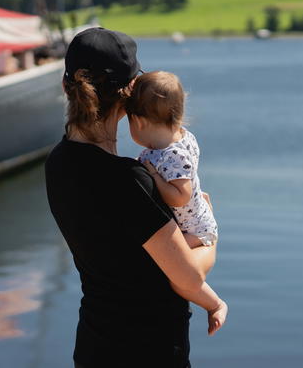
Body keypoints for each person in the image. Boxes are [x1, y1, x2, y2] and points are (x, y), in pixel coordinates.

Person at [45, 27, 227, 368]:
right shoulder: (130, 182)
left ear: (66, 87)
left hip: (94, 346)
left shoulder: (57, 163)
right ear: (129, 93)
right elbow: (189, 278)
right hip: (148, 350)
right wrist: (211, 234)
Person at [125, 71, 218, 251]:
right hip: (193, 224)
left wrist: (153, 176)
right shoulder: (182, 137)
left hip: (196, 231)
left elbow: (181, 197)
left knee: (170, 267)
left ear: (138, 122)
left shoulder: (173, 155)